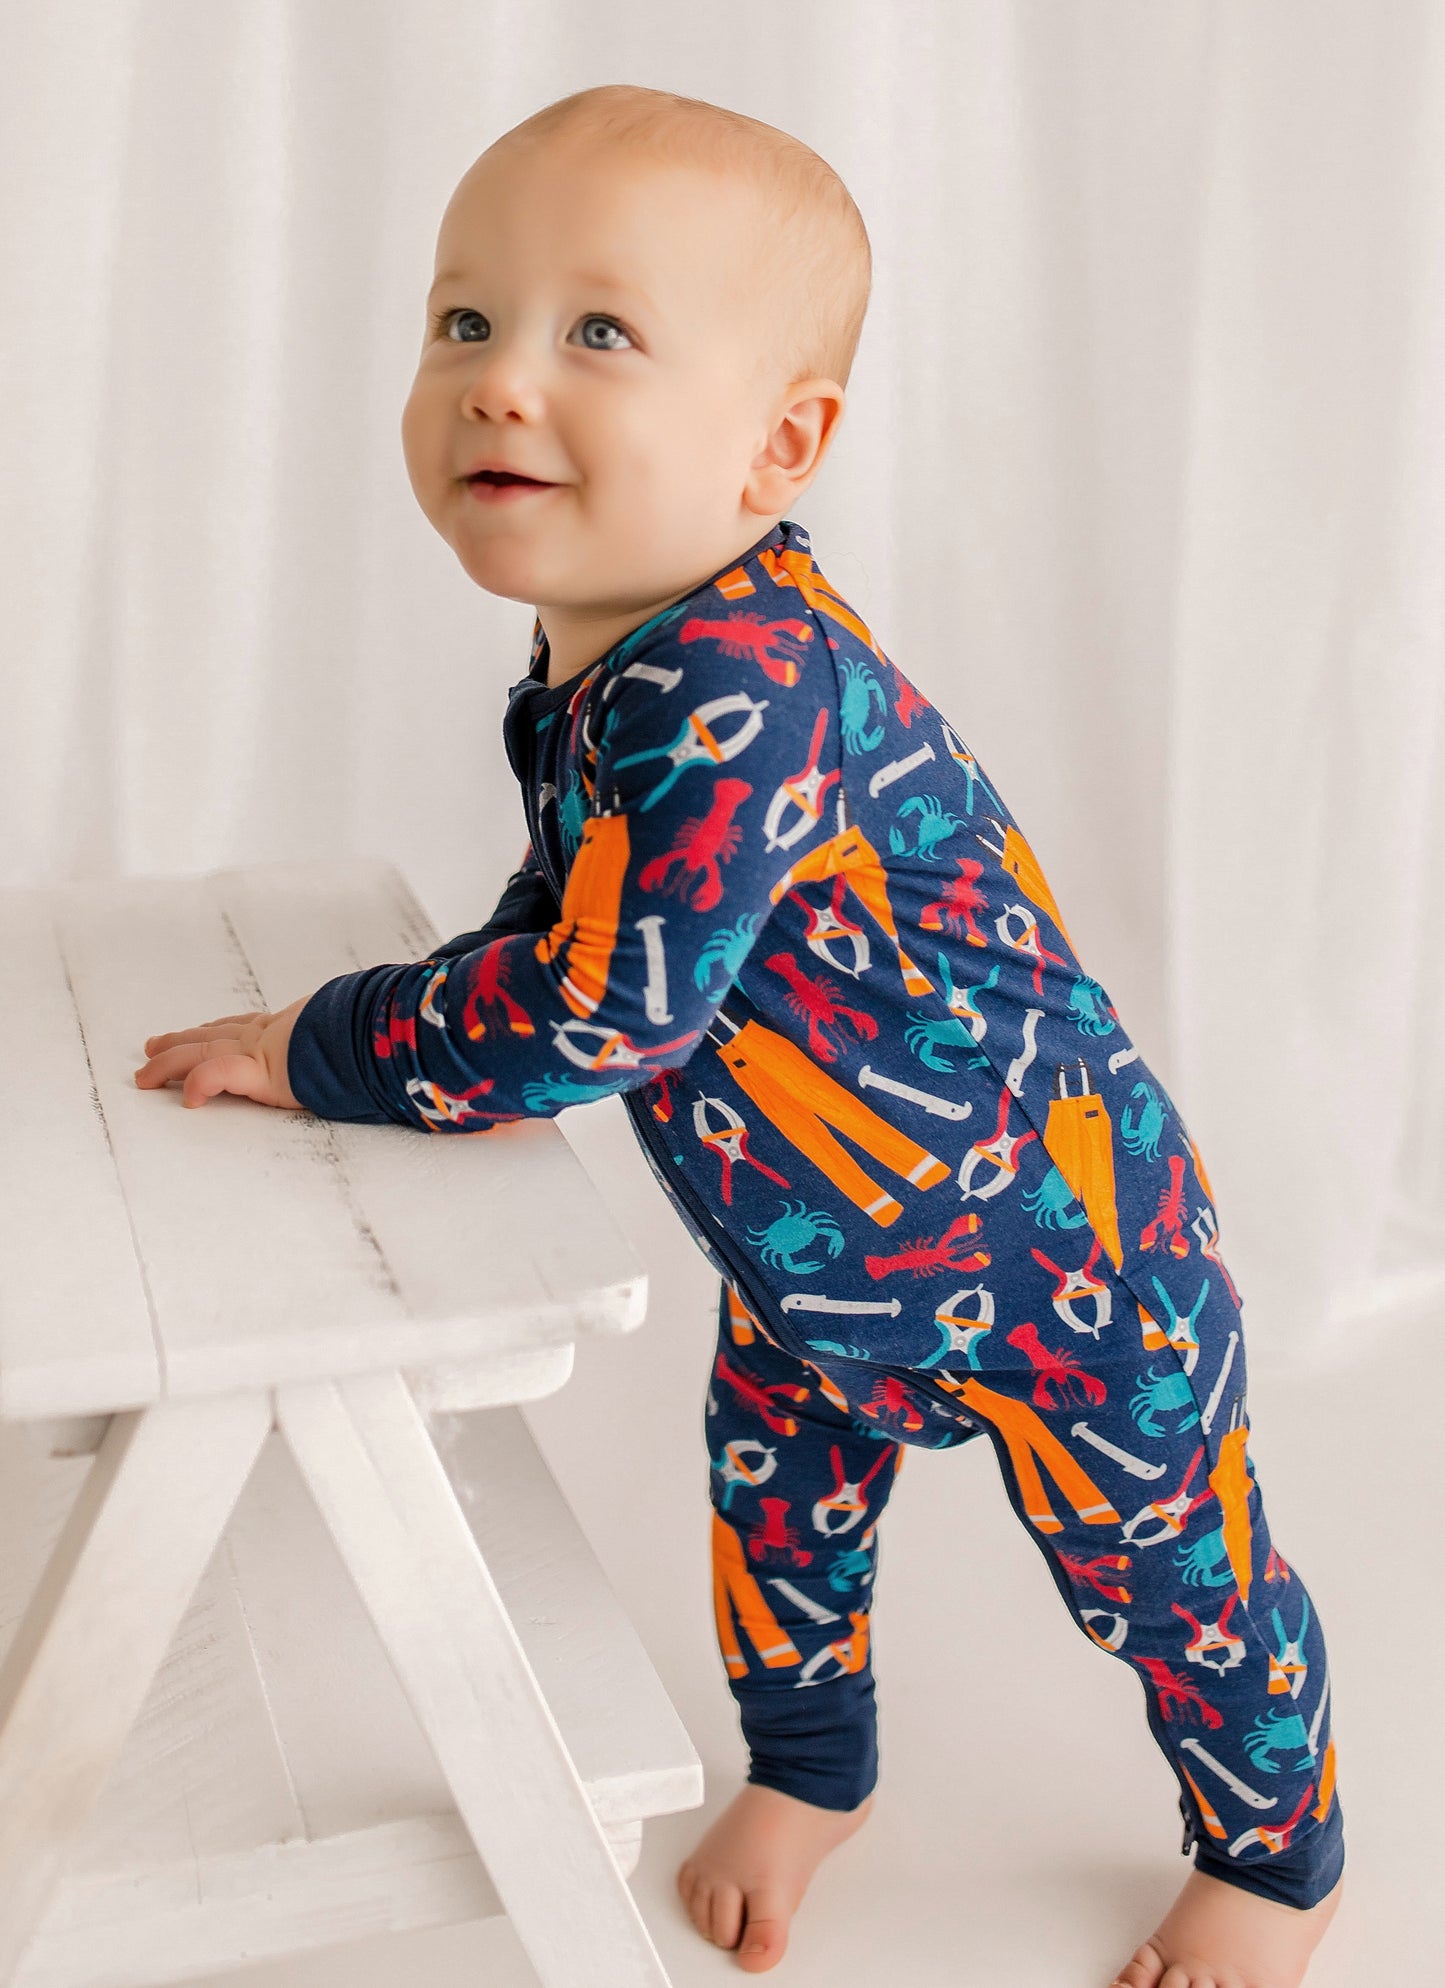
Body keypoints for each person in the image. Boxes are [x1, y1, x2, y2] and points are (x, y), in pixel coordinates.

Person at [133, 81, 1345, 1987]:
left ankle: (1277, 1857)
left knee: (1175, 1586)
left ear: (778, 445)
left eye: (596, 334)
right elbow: (580, 907)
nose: (499, 381)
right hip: (812, 1260)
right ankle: (812, 1771)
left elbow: (605, 1005)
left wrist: (329, 1041)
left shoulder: (735, 684)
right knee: (774, 1528)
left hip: (1062, 1252)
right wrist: (464, 1004)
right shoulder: (608, 659)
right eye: (465, 319)